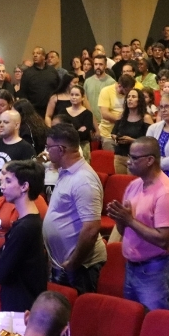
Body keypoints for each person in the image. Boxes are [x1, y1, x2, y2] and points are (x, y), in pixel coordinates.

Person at [106, 137, 169, 311]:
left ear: (149, 160)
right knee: (133, 318)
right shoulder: (134, 185)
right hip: (132, 266)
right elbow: (125, 231)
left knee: (155, 322)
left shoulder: (166, 193)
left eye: (134, 158)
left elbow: (164, 240)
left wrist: (129, 220)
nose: (128, 162)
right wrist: (119, 218)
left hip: (155, 269)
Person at [43, 124, 106, 294]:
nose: (47, 151)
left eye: (49, 147)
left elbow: (91, 229)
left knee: (78, 308)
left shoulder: (84, 180)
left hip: (80, 267)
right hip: (64, 265)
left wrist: (73, 263)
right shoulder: (66, 172)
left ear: (60, 149)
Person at [0, 160, 49, 312]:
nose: (3, 186)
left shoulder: (25, 228)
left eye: (9, 181)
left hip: (21, 306)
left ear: (24, 187)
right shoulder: (24, 223)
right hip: (18, 301)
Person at [112, 88, 152, 175]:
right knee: (120, 181)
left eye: (133, 97)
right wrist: (117, 139)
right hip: (119, 156)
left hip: (136, 157)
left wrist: (132, 140)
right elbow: (113, 133)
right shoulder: (122, 116)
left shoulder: (146, 118)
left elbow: (150, 141)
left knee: (132, 182)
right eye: (128, 97)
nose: (130, 99)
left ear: (139, 100)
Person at [20, 47, 61, 116]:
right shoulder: (27, 73)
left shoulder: (52, 71)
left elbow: (58, 89)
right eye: (33, 54)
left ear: (44, 56)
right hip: (34, 111)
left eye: (38, 53)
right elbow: (23, 93)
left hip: (51, 109)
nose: (35, 55)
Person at [63, 84, 97, 160]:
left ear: (82, 98)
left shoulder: (87, 114)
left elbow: (84, 134)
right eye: (72, 94)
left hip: (82, 145)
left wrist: (70, 130)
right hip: (66, 145)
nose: (74, 97)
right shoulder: (63, 112)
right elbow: (61, 129)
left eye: (77, 95)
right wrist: (77, 130)